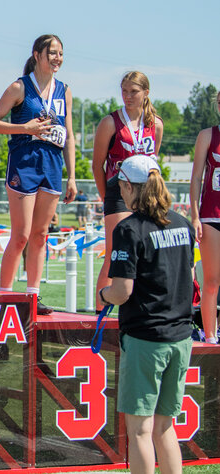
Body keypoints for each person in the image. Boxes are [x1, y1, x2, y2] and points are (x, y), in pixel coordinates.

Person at [98, 155, 194, 474]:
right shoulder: (181, 223)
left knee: (140, 429)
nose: (120, 193)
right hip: (180, 337)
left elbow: (121, 291)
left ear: (128, 187)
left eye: (122, 187)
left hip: (147, 338)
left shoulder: (129, 229)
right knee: (165, 427)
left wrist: (103, 296)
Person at [0, 34, 77, 315]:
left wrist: (72, 175)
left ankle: (33, 298)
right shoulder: (19, 87)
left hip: (52, 164)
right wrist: (26, 128)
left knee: (41, 235)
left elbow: (70, 135)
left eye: (60, 53)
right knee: (21, 235)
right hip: (24, 162)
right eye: (52, 53)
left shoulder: (65, 91)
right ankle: (4, 298)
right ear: (37, 55)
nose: (57, 58)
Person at [93, 71, 163, 312]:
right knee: (115, 251)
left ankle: (136, 310)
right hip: (119, 194)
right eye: (124, 91)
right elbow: (97, 164)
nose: (128, 96)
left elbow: (153, 162)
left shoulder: (156, 124)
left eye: (133, 91)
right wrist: (107, 198)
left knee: (146, 251)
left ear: (146, 93)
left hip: (148, 196)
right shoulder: (110, 122)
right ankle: (98, 316)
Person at [190, 90, 220, 343]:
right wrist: (196, 216)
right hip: (212, 217)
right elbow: (197, 177)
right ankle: (210, 337)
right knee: (211, 281)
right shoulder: (208, 135)